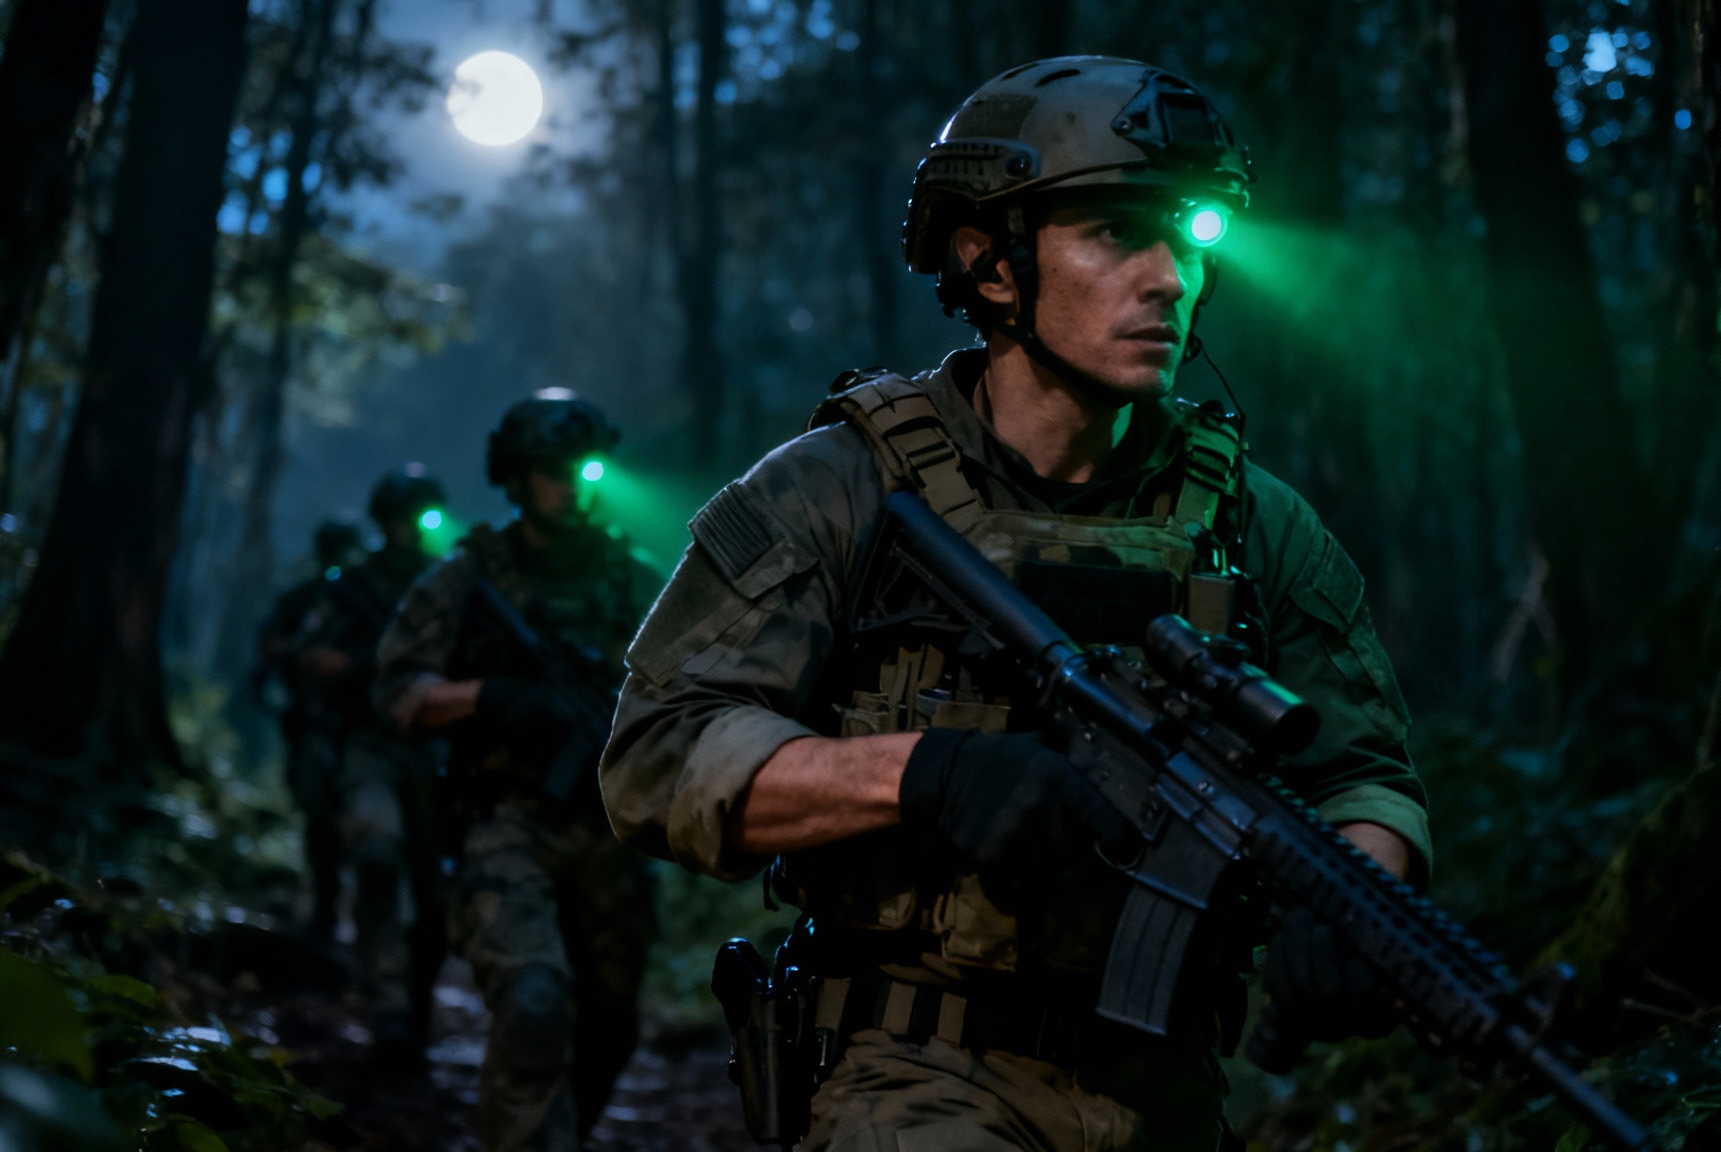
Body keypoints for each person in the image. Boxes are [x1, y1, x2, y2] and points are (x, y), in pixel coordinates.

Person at [600, 57, 1431, 1152]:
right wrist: (922, 775)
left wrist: (1357, 887)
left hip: (1165, 1082)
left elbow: (1363, 772)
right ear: (989, 265)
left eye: (1186, 236)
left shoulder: (1254, 523)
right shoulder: (841, 488)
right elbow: (657, 753)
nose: (1167, 278)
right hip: (911, 1062)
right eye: (1114, 233)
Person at [374, 390, 658, 1152]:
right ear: (518, 478)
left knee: (611, 1025)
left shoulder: (635, 580)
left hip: (610, 826)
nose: (572, 485)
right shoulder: (468, 579)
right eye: (553, 471)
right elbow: (397, 691)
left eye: (584, 469)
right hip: (504, 820)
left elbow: (700, 691)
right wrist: (490, 697)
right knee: (533, 1006)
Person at [303, 469, 448, 1067]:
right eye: (402, 516)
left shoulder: (452, 585)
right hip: (370, 743)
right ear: (383, 521)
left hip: (440, 752)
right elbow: (315, 659)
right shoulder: (352, 588)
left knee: (437, 894)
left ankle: (414, 1008)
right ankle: (388, 1003)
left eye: (421, 517)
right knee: (377, 855)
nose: (412, 528)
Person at [255, 518, 364, 943]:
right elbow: (269, 645)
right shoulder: (301, 600)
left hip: (358, 728)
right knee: (320, 821)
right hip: (312, 726)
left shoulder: (363, 601)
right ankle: (324, 912)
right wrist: (301, 655)